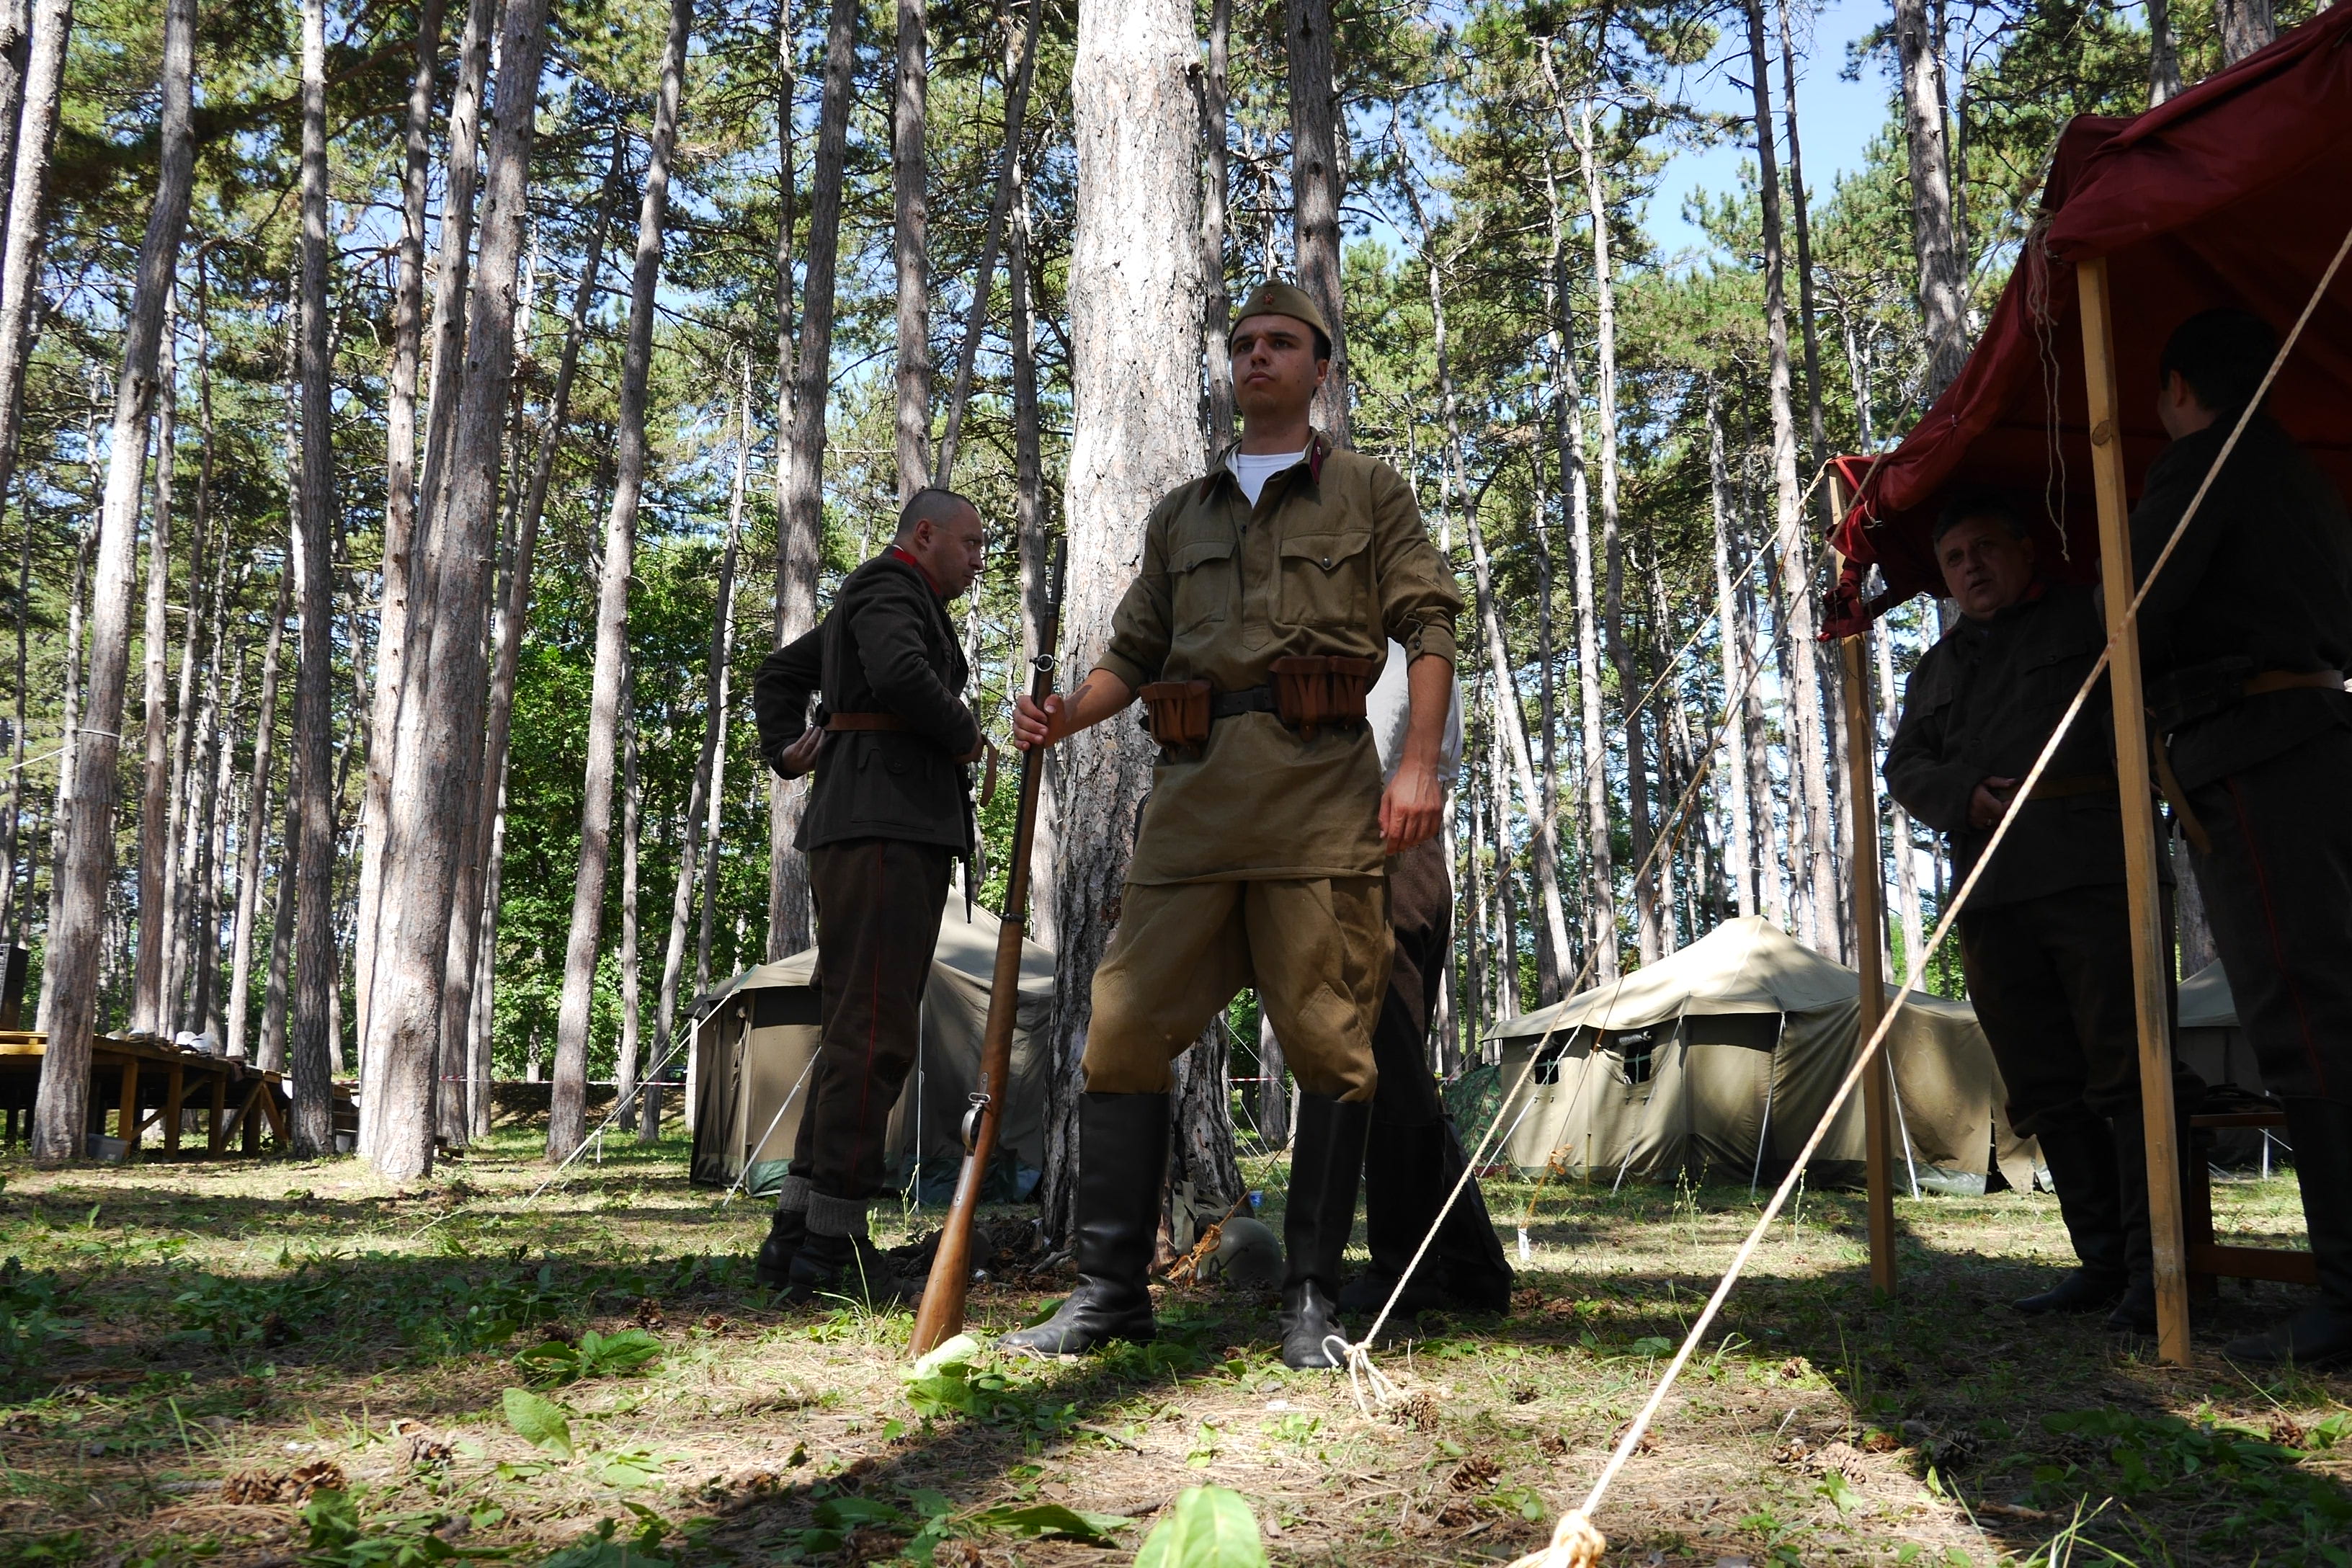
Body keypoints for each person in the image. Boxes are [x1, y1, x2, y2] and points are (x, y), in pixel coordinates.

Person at [999, 281, 1461, 1369]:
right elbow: (1133, 656)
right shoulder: (1181, 516)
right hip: (1193, 809)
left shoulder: (1368, 492)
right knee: (1120, 1028)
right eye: (1245, 344)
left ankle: (1311, 1299)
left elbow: (1430, 626)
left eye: (1282, 344)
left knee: (1331, 1050)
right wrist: (1066, 716)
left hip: (1320, 806)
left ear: (1321, 369)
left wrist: (1419, 764)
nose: (1258, 357)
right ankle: (1112, 1292)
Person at [1886, 491, 2197, 1334]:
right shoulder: (1937, 669)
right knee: (2044, 1086)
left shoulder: (2094, 619)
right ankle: (2100, 1264)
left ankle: (2162, 1268)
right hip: (1991, 891)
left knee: (2128, 1072)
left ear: (2026, 552)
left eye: (1987, 546)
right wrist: (1961, 794)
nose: (1972, 567)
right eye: (1955, 558)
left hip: (2098, 870)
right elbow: (1905, 767)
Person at [2129, 307, 2352, 1366]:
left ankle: (2350, 1292)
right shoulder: (2301, 478)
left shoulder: (2205, 465)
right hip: (2316, 737)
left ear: (2179, 388)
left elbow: (2135, 613)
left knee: (2306, 1012)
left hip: (2258, 752)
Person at [747, 488, 990, 1302]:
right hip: (884, 829)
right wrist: (966, 737)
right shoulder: (890, 586)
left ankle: (799, 1230)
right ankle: (833, 1243)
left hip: (873, 828)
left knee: (857, 1027)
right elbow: (899, 673)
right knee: (876, 1032)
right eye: (970, 542)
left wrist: (787, 751)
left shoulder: (884, 593)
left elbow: (781, 672)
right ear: (925, 535)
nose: (979, 559)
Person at [1335, 640, 1514, 1322]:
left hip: (1389, 843)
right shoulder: (1389, 632)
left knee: (1394, 1058)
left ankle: (1407, 1271)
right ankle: (1468, 1265)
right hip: (1392, 845)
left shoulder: (1393, 640)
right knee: (1390, 1057)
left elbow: (1375, 748)